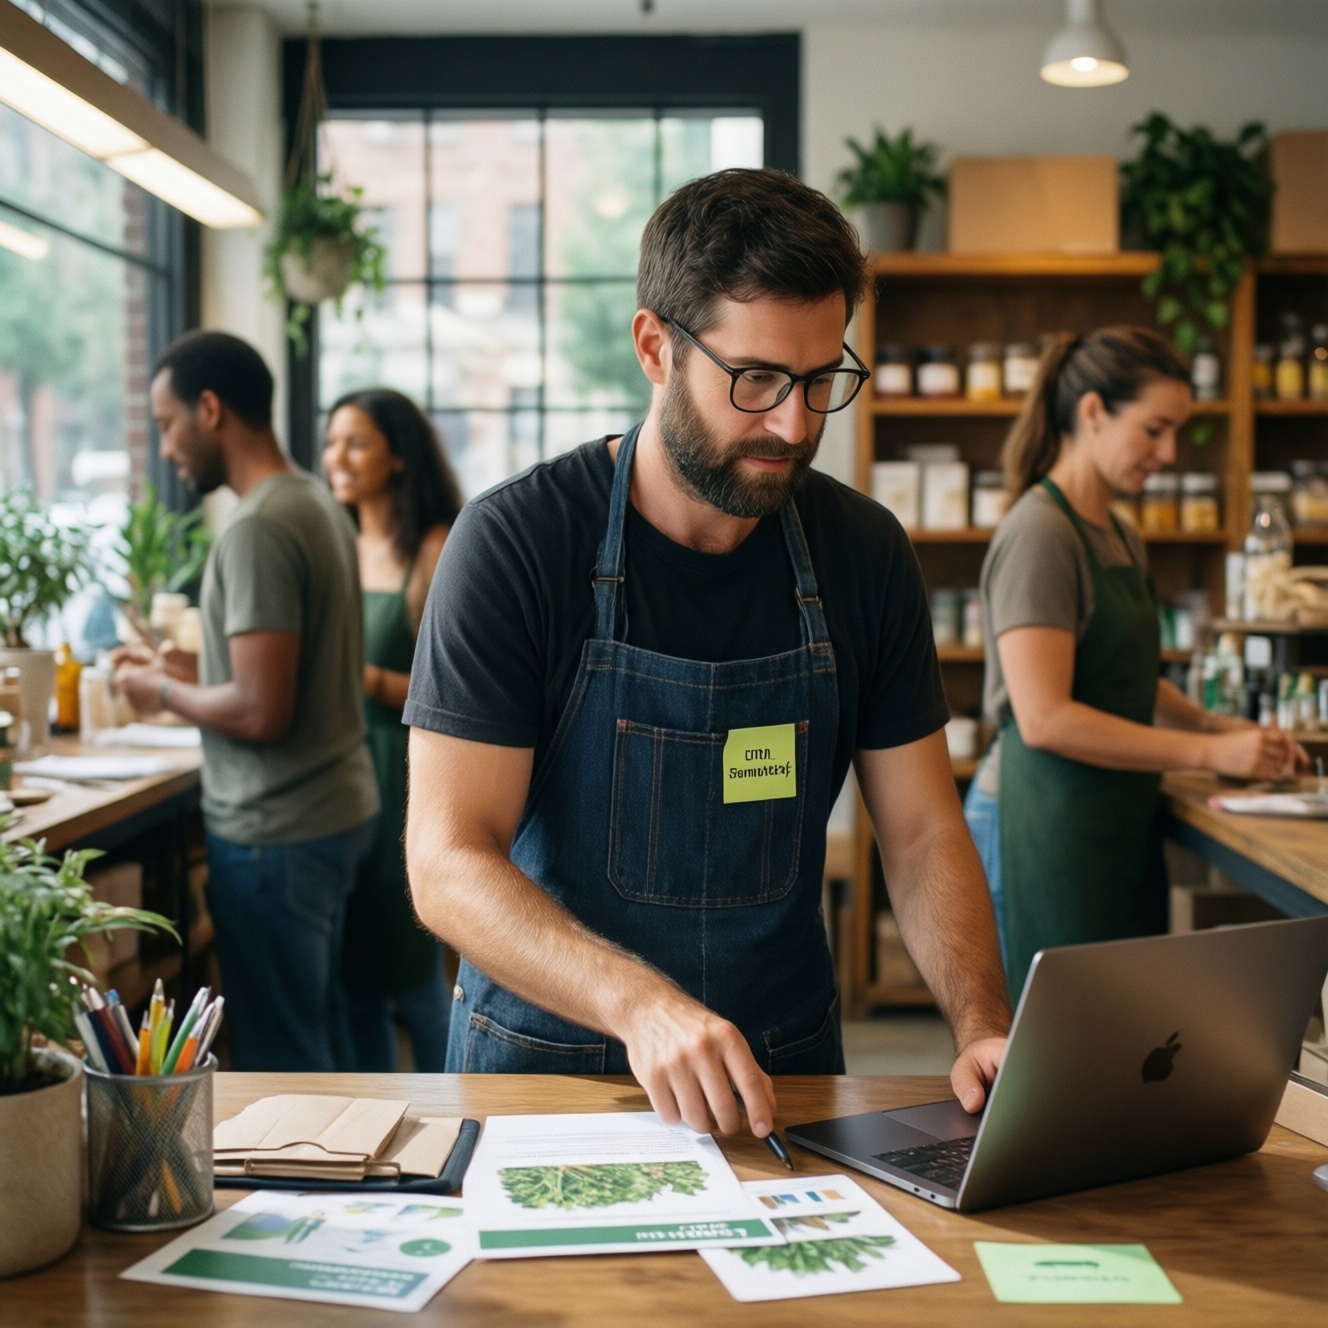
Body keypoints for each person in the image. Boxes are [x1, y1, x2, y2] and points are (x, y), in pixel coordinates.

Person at [403, 167, 1011, 1143]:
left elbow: (922, 832)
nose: (794, 424)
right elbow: (445, 859)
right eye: (757, 379)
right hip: (547, 1083)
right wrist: (640, 1003)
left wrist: (982, 1021)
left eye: (821, 382)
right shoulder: (516, 543)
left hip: (782, 1084)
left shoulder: (860, 551)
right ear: (655, 346)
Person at [963, 326, 1306, 996]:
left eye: (1176, 431)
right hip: (1041, 827)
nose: (1169, 453)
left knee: (1113, 1042)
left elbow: (1126, 678)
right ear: (1093, 412)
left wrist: (1220, 729)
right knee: (1044, 1058)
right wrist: (1208, 756)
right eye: (1154, 429)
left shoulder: (1120, 531)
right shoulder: (1041, 533)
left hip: (1109, 824)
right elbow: (1045, 718)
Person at [114, 330, 380, 1071]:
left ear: (209, 410)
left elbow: (264, 710)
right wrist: (195, 664)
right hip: (331, 812)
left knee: (284, 1056)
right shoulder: (313, 502)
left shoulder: (257, 527)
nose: (166, 447)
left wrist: (157, 689)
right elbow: (294, 657)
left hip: (278, 832)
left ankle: (315, 1185)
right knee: (318, 1033)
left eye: (167, 424)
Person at [322, 388, 464, 1072]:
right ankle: (376, 1126)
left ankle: (462, 1112)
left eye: (356, 442)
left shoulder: (437, 549)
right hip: (340, 777)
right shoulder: (336, 544)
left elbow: (462, 694)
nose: (336, 458)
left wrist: (359, 678)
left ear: (400, 456)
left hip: (408, 775)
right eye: (331, 442)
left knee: (411, 974)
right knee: (353, 978)